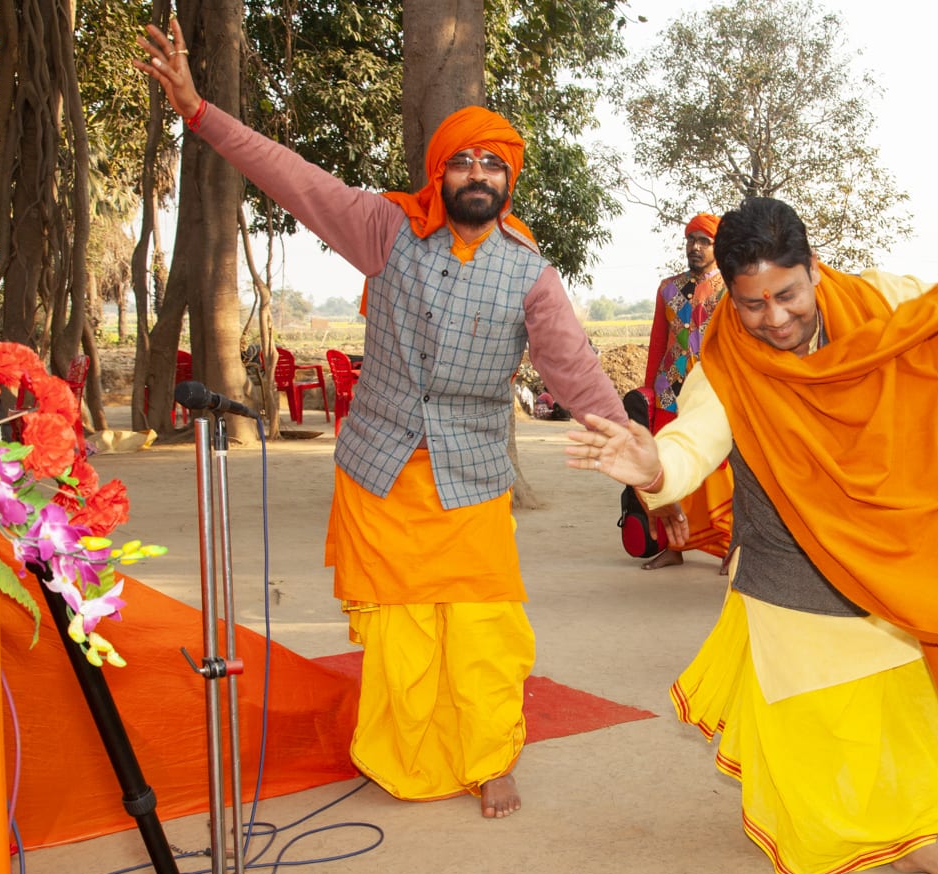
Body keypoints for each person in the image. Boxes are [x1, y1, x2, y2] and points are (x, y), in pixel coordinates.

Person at [134, 19, 629, 818]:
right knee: (402, 631)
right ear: (441, 171)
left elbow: (575, 368)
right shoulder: (385, 229)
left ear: (509, 179)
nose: (477, 173)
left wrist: (641, 457)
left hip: (471, 480)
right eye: (463, 160)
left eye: (493, 163)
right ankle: (406, 755)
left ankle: (489, 757)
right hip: (381, 470)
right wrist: (197, 109)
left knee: (484, 627)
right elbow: (291, 176)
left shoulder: (530, 273)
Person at [567, 196, 938, 874]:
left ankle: (911, 834)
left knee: (906, 705)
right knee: (813, 715)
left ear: (813, 269)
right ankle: (832, 833)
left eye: (787, 294)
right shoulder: (726, 365)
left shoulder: (878, 300)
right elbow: (692, 444)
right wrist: (654, 469)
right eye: (752, 305)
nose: (774, 319)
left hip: (893, 549)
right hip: (789, 562)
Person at [635, 214, 733, 571]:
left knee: (719, 471)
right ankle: (672, 547)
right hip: (670, 392)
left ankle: (730, 547)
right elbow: (657, 343)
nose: (695, 247)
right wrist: (649, 391)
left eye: (704, 241)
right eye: (691, 239)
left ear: (718, 246)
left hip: (713, 392)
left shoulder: (732, 289)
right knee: (666, 465)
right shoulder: (668, 288)